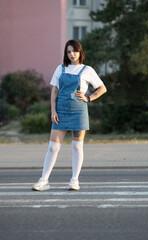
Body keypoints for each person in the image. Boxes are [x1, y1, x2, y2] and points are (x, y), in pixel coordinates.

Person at [32, 39, 107, 191]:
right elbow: (54, 91)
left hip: (79, 111)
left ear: (80, 52)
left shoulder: (87, 70)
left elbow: (102, 88)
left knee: (77, 146)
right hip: (60, 112)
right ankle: (44, 180)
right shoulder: (60, 69)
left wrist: (89, 97)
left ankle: (74, 180)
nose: (72, 54)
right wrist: (53, 111)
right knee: (53, 147)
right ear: (66, 54)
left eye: (75, 51)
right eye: (69, 52)